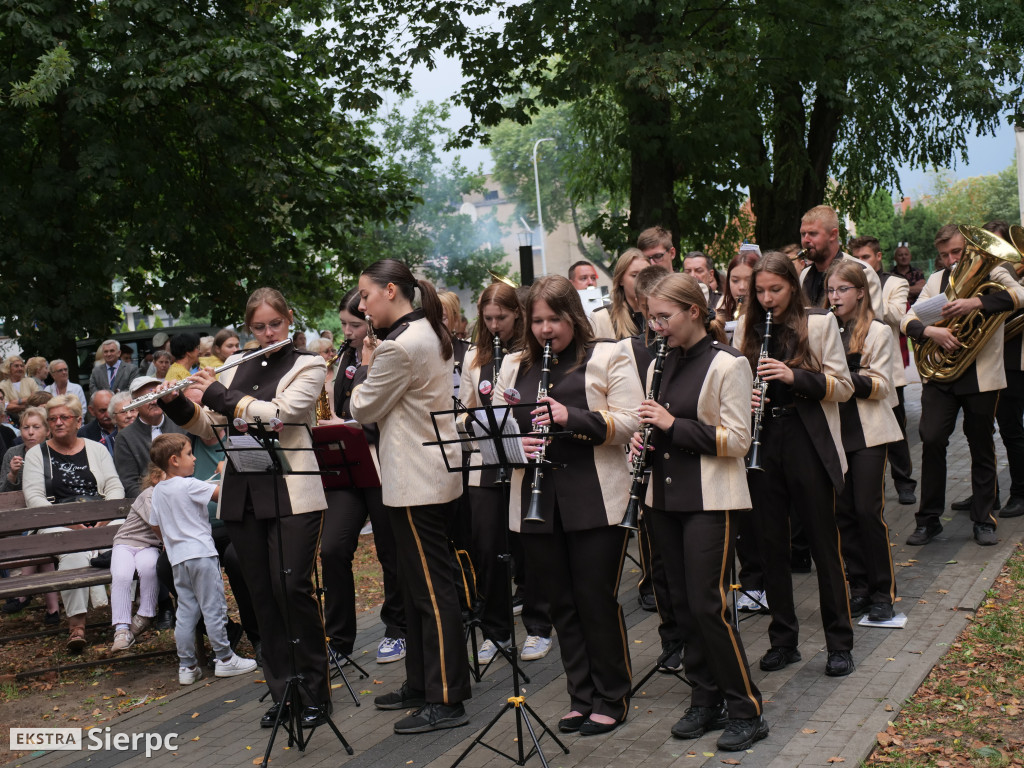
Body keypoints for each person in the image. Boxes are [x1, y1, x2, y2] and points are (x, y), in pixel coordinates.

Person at [156, 286, 330, 728]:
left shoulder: (309, 363)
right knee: (260, 595)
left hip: (293, 488)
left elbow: (283, 413)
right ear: (249, 327)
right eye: (259, 326)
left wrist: (219, 394)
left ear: (289, 319)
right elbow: (211, 429)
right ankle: (283, 690)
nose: (268, 332)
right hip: (243, 491)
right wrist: (177, 404)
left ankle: (314, 690)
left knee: (291, 588)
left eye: (275, 323)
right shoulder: (235, 365)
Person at [494, 275, 642, 736]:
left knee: (594, 599)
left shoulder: (607, 354)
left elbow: (631, 419)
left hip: (596, 496)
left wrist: (569, 416)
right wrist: (518, 442)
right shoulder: (515, 363)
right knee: (560, 603)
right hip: (537, 498)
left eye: (553, 319)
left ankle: (612, 694)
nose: (544, 329)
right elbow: (493, 425)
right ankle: (580, 695)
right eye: (536, 320)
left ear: (572, 317)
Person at [629, 273, 767, 751]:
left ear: (694, 310)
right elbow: (654, 427)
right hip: (663, 499)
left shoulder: (728, 364)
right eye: (651, 317)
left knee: (708, 607)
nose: (657, 325)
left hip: (711, 498)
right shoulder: (658, 362)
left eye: (664, 316)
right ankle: (705, 699)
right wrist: (640, 442)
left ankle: (746, 707)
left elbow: (738, 440)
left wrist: (673, 425)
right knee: (682, 608)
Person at [350, 259, 471, 735]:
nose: (362, 304)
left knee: (434, 593)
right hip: (429, 474)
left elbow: (363, 407)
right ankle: (421, 683)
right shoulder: (426, 328)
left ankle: (447, 697)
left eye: (366, 295)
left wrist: (364, 365)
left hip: (417, 481)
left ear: (392, 291)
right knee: (420, 588)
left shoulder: (399, 347)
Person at [736, 252, 855, 677]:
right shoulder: (747, 328)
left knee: (824, 544)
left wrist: (793, 377)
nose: (768, 299)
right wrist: (745, 397)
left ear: (793, 286)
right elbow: (733, 389)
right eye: (761, 291)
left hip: (807, 439)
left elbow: (842, 387)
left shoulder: (819, 324)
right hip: (764, 442)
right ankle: (783, 640)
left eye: (776, 290)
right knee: (771, 546)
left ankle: (839, 642)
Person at [901, 225, 1024, 547]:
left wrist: (978, 303)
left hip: (981, 376)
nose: (951, 260)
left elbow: (1022, 294)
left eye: (956, 252)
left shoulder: (996, 272)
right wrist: (931, 333)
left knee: (981, 445)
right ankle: (928, 520)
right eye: (944, 255)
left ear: (968, 248)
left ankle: (983, 520)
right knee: (931, 440)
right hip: (941, 377)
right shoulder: (937, 281)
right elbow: (908, 318)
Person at [459, 281, 553, 665]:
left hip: (525, 462)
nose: (495, 325)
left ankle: (539, 626)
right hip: (486, 463)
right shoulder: (474, 358)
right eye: (489, 318)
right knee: (487, 549)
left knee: (528, 547)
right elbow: (464, 410)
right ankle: (495, 632)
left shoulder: (530, 356)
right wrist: (472, 426)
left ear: (518, 314)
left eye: (503, 317)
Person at [325, 287, 407, 665]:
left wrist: (371, 364)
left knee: (391, 550)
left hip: (383, 461)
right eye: (343, 324)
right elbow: (342, 404)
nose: (347, 331)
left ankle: (397, 628)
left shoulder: (388, 351)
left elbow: (377, 409)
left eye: (354, 324)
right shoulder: (345, 358)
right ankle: (339, 639)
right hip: (350, 464)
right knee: (333, 547)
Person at [825, 261, 902, 622]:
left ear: (860, 292)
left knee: (868, 511)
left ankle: (882, 592)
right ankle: (858, 587)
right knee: (843, 513)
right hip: (835, 432)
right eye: (830, 290)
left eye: (842, 289)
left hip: (868, 431)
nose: (835, 296)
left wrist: (841, 379)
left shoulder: (878, 332)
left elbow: (882, 386)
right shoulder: (825, 330)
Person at [149, 433, 258, 684]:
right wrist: (226, 470)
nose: (195, 457)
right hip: (201, 554)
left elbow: (155, 524)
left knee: (187, 610)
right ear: (174, 460)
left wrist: (169, 541)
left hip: (178, 559)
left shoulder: (158, 491)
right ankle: (225, 658)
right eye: (189, 453)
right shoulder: (190, 485)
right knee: (214, 607)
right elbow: (226, 494)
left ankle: (187, 666)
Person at [22, 395, 125, 652]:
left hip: (100, 516)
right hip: (56, 520)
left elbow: (114, 486)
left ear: (78, 420)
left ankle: (122, 620)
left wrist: (104, 518)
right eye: (52, 419)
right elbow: (34, 497)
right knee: (74, 549)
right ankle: (77, 626)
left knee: (124, 544)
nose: (57, 423)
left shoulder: (97, 449)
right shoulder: (37, 454)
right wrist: (71, 522)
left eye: (63, 417)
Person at [849, 236, 916, 506]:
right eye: (856, 258)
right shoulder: (847, 281)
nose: (860, 264)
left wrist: (868, 294)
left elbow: (898, 317)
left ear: (878, 256)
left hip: (888, 370)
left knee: (895, 429)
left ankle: (904, 482)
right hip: (856, 364)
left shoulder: (896, 282)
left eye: (865, 258)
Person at [0, 406, 61, 622]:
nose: (30, 432)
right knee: (39, 540)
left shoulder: (53, 453)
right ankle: (53, 608)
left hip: (46, 516)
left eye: (36, 427)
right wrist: (12, 475)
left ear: (47, 430)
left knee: (39, 536)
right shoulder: (12, 454)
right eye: (26, 427)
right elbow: (3, 495)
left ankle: (23, 594)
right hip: (17, 521)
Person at [110, 463, 164, 652]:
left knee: (150, 568)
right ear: (156, 478)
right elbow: (157, 524)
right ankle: (121, 628)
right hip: (126, 543)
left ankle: (145, 615)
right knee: (122, 575)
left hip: (149, 546)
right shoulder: (149, 495)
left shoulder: (174, 494)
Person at [798, 205, 883, 319]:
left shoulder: (863, 272)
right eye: (803, 234)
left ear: (833, 234)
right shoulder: (804, 274)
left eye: (813, 234)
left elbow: (873, 325)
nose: (805, 240)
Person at [114, 377, 188, 497]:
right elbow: (129, 483)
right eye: (147, 398)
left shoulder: (180, 426)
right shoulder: (125, 438)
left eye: (157, 395)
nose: (154, 401)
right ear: (135, 405)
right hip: (148, 503)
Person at [590, 249, 648, 340]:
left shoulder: (662, 313)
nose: (642, 280)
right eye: (635, 275)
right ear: (621, 280)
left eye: (646, 274)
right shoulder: (602, 317)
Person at [1, 355, 40, 425]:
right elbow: (5, 406)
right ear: (9, 368)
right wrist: (27, 404)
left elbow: (37, 399)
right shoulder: (3, 385)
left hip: (32, 418)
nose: (20, 368)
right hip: (12, 422)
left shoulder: (30, 381)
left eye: (22, 366)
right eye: (16, 366)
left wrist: (16, 401)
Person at [78, 389, 118, 458]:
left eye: (111, 409)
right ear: (92, 410)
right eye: (102, 411)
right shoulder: (83, 435)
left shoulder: (126, 426)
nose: (108, 415)